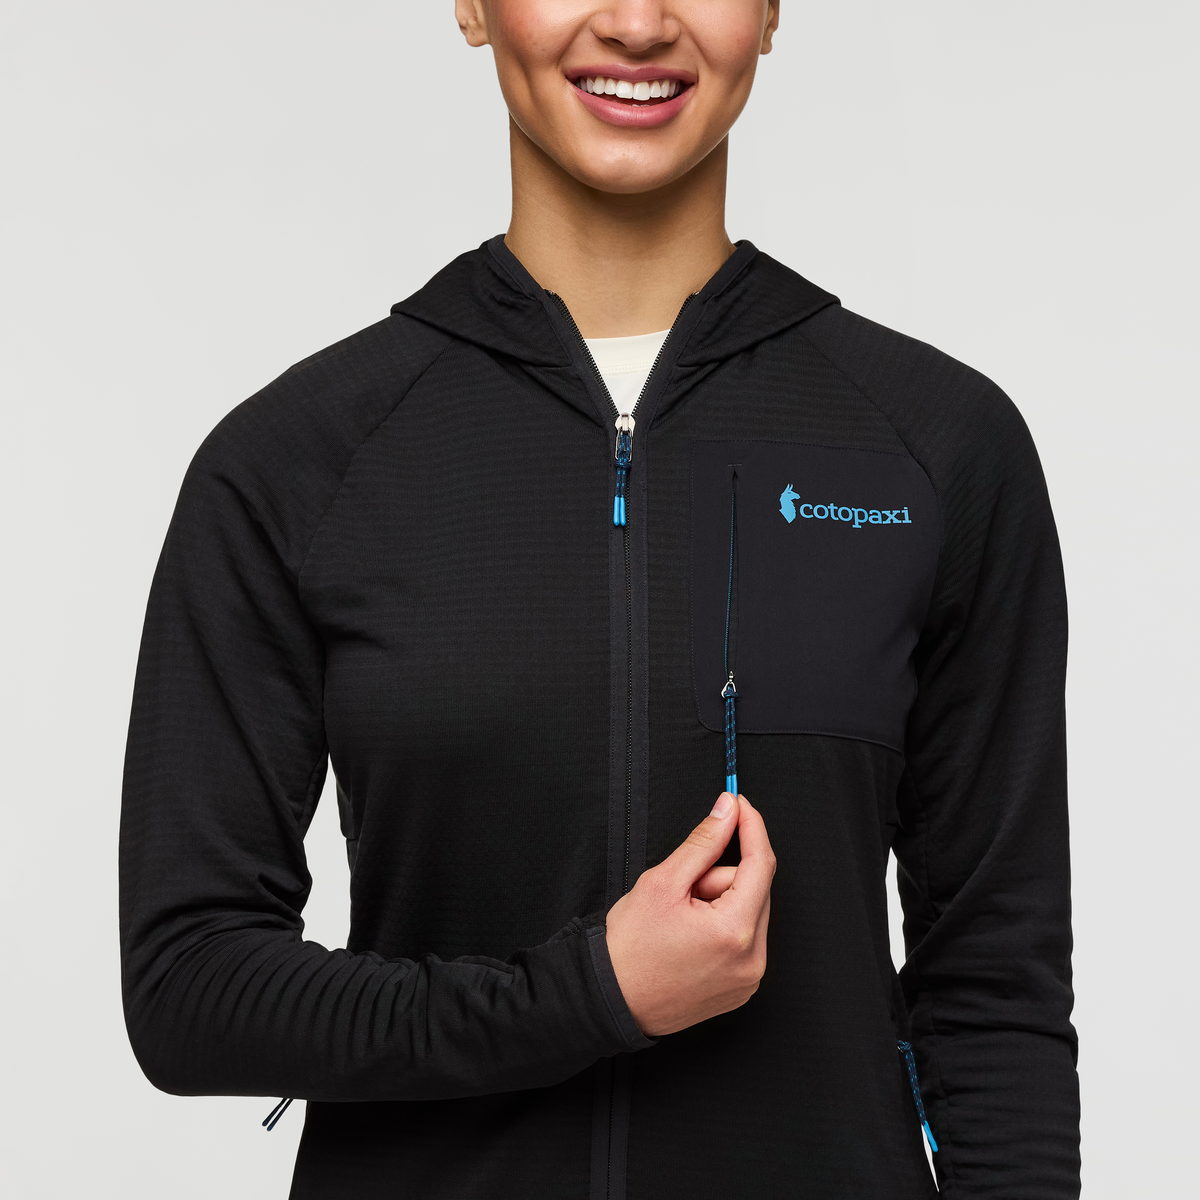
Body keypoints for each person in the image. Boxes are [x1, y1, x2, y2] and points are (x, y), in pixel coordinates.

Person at [119, 2, 1080, 1197]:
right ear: (473, 7)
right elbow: (189, 989)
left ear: (771, 12)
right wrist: (589, 994)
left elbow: (995, 988)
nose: (635, 23)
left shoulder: (936, 447)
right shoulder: (297, 463)